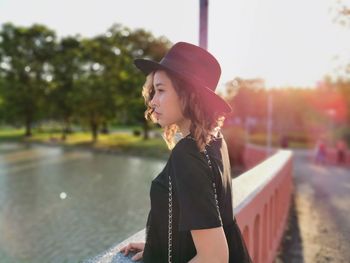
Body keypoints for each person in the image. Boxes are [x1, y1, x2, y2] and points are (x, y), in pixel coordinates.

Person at [119, 42, 253, 263]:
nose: (152, 101)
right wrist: (157, 247)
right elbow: (207, 220)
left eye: (161, 90)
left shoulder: (188, 153)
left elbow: (214, 257)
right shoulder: (215, 140)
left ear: (188, 94)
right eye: (153, 91)